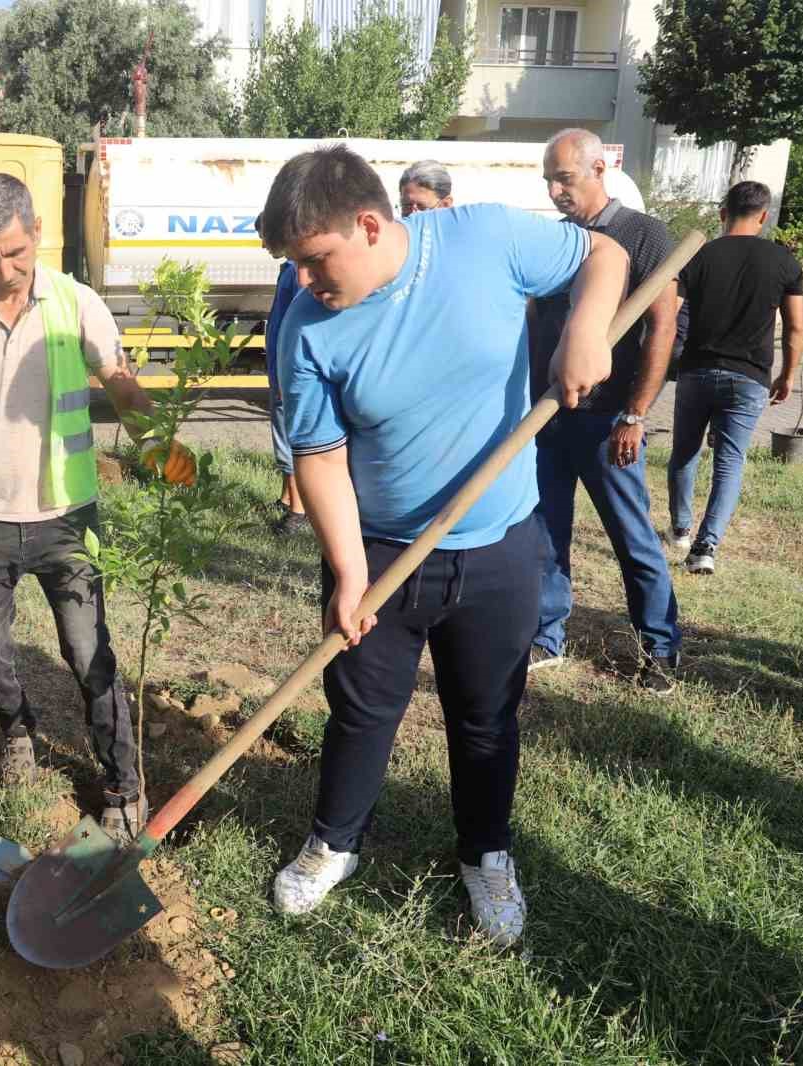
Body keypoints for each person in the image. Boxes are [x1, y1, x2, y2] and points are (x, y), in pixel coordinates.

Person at [262, 144, 627, 945]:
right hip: (385, 551)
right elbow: (319, 457)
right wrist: (351, 574)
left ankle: (487, 855)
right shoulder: (308, 328)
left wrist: (587, 328)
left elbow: (606, 251)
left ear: (368, 224)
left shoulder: (484, 239)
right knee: (361, 712)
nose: (309, 282)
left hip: (499, 545)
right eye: (298, 268)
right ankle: (334, 844)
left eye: (318, 262)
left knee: (488, 713)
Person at [0, 173, 192, 842]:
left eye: (17, 252)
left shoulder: (75, 304)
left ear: (38, 232)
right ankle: (16, 728)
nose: (6, 269)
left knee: (90, 652)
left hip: (66, 515)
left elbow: (122, 386)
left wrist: (158, 443)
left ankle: (122, 783)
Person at [527, 128, 683, 693]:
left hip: (607, 419)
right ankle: (547, 638)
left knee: (631, 537)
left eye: (564, 177)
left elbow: (662, 325)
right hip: (549, 415)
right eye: (549, 178)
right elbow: (537, 323)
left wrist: (636, 411)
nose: (554, 190)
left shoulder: (643, 235)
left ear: (599, 170)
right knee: (545, 532)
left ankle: (659, 648)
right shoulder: (558, 242)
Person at [668, 181, 803, 575]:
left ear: (721, 213)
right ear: (764, 216)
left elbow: (668, 315)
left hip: (695, 371)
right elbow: (796, 327)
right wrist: (788, 375)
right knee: (730, 462)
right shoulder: (784, 262)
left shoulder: (699, 256)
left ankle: (680, 528)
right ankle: (704, 548)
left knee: (685, 452)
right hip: (749, 378)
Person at [265, 258, 308, 536]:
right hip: (280, 369)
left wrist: (285, 371)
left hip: (287, 370)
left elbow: (297, 322)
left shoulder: (297, 270)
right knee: (282, 433)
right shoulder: (288, 268)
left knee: (288, 440)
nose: (262, 245)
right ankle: (286, 499)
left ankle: (298, 509)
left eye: (264, 236)